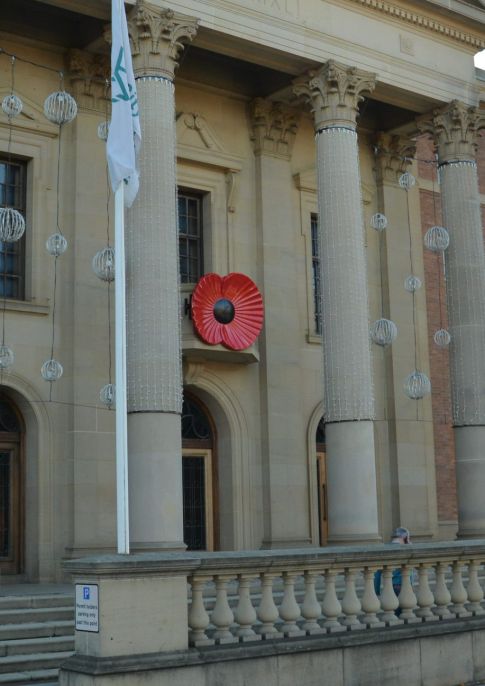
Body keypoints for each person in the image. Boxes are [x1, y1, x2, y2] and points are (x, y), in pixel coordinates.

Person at [374, 527, 411, 604]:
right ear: (404, 537)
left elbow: (377, 574)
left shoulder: (383, 549)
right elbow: (410, 573)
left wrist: (376, 591)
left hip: (388, 586)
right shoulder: (406, 549)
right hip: (403, 585)